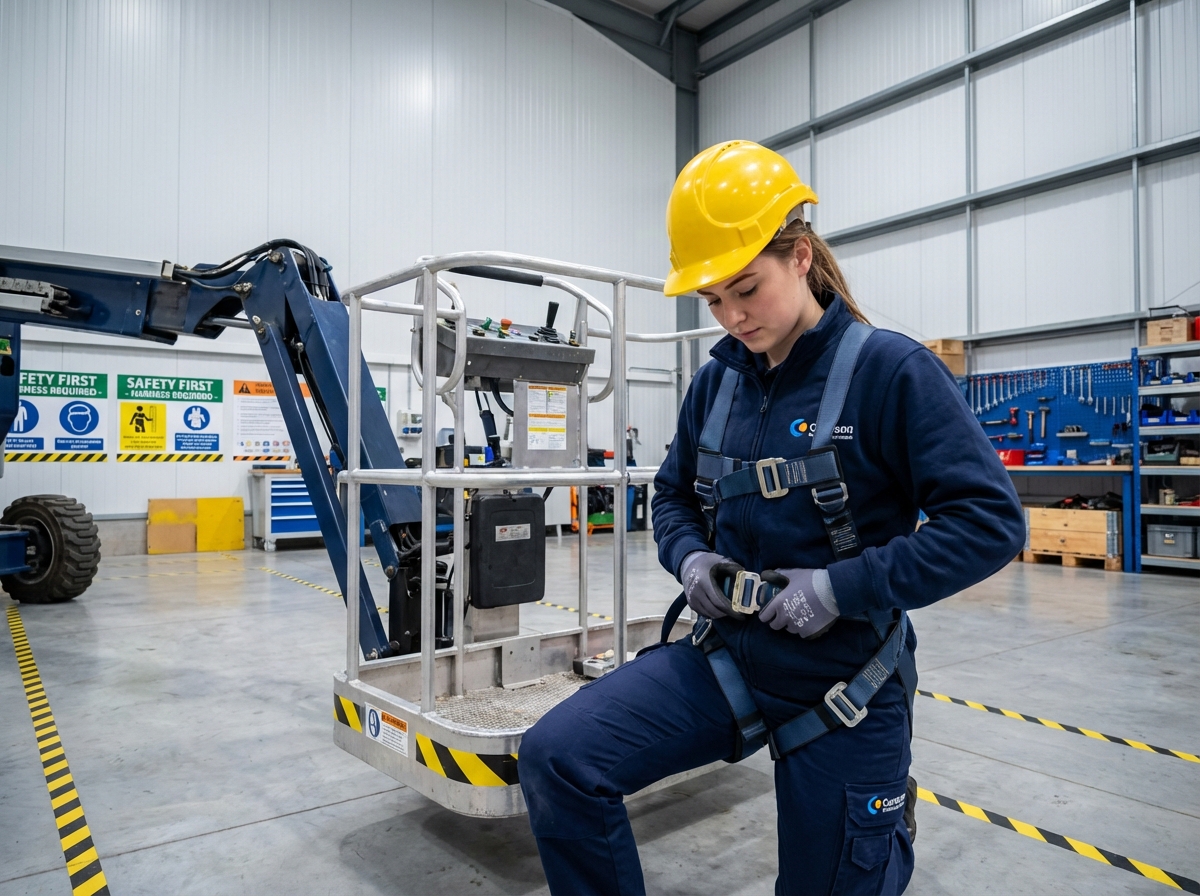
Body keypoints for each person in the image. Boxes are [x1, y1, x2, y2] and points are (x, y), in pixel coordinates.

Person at [518, 140, 1026, 895]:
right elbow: (672, 496)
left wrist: (840, 590)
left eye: (746, 288)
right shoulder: (716, 385)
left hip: (845, 677)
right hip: (728, 657)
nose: (731, 315)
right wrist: (691, 559)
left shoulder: (891, 372)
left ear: (799, 255)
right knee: (558, 756)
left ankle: (878, 834)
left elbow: (989, 522)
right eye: (713, 299)